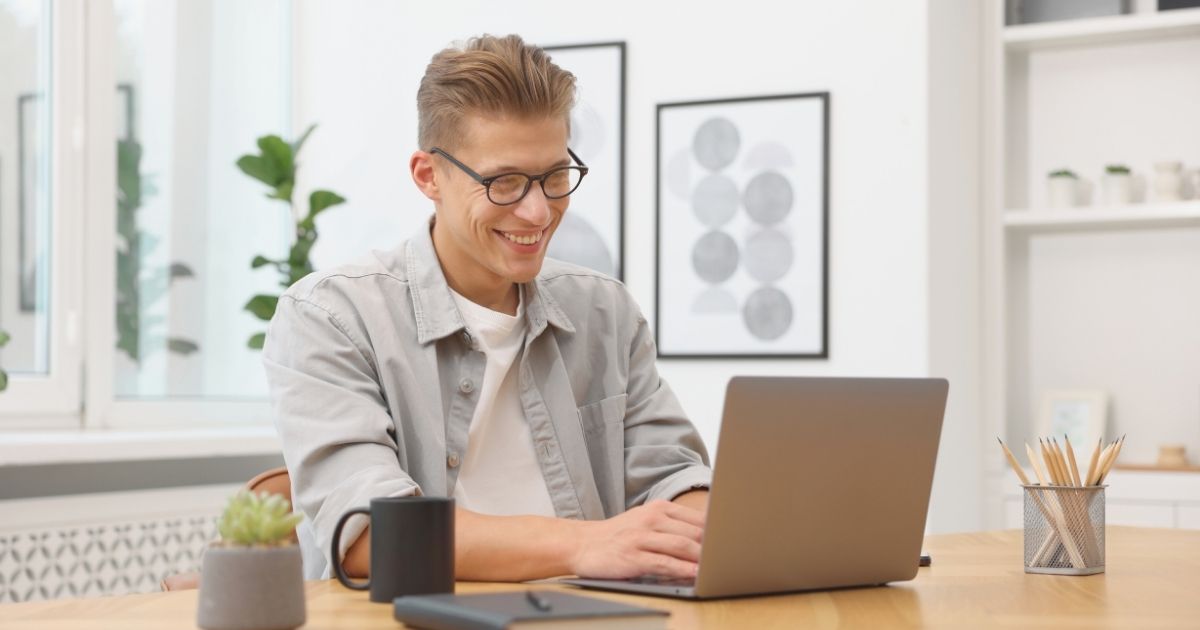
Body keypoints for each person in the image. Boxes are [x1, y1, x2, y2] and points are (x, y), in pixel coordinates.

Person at [264, 34, 712, 582]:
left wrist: (718, 531)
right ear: (429, 175)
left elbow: (673, 477)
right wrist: (586, 545)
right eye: (504, 182)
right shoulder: (330, 316)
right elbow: (369, 535)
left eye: (553, 176)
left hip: (591, 615)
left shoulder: (605, 310)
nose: (538, 211)